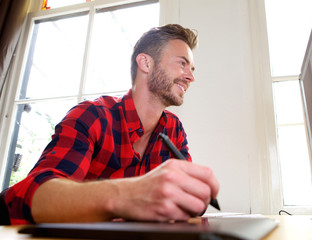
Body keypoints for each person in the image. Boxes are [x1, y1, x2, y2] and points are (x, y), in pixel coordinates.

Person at [3, 24, 219, 225]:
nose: (191, 77)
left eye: (192, 68)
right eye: (182, 63)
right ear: (146, 63)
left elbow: (188, 202)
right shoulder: (92, 115)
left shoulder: (174, 129)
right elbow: (35, 194)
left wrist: (194, 196)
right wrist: (128, 197)